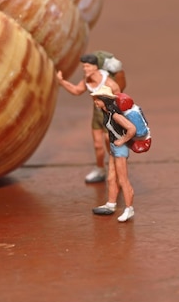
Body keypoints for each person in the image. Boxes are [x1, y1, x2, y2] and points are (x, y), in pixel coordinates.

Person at [56, 53, 121, 183]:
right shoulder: (87, 80)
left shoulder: (108, 83)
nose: (85, 70)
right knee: (98, 145)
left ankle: (117, 171)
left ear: (95, 67)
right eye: (84, 67)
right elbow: (76, 91)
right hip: (96, 115)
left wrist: (117, 118)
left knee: (111, 144)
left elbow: (119, 98)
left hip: (108, 115)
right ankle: (100, 169)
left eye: (87, 67)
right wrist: (62, 82)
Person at [89, 86, 136, 222]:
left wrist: (122, 141)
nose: (95, 102)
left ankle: (129, 208)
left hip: (120, 149)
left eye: (97, 100)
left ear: (104, 100)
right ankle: (111, 204)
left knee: (123, 180)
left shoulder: (115, 114)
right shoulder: (107, 113)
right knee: (111, 177)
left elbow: (131, 129)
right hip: (113, 147)